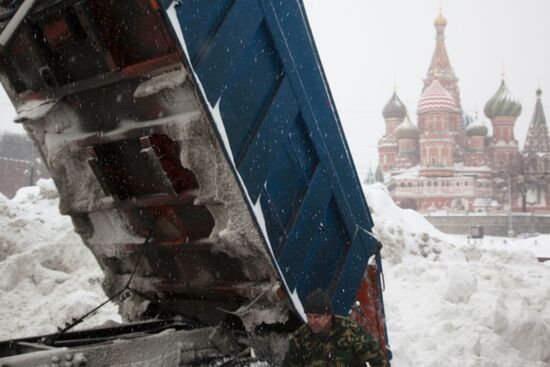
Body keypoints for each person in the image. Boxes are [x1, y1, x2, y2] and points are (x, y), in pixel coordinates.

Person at [282, 289, 389, 367]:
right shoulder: (300, 338)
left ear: (328, 316)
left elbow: (379, 360)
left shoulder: (350, 330)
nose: (312, 321)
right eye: (309, 317)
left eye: (317, 317)